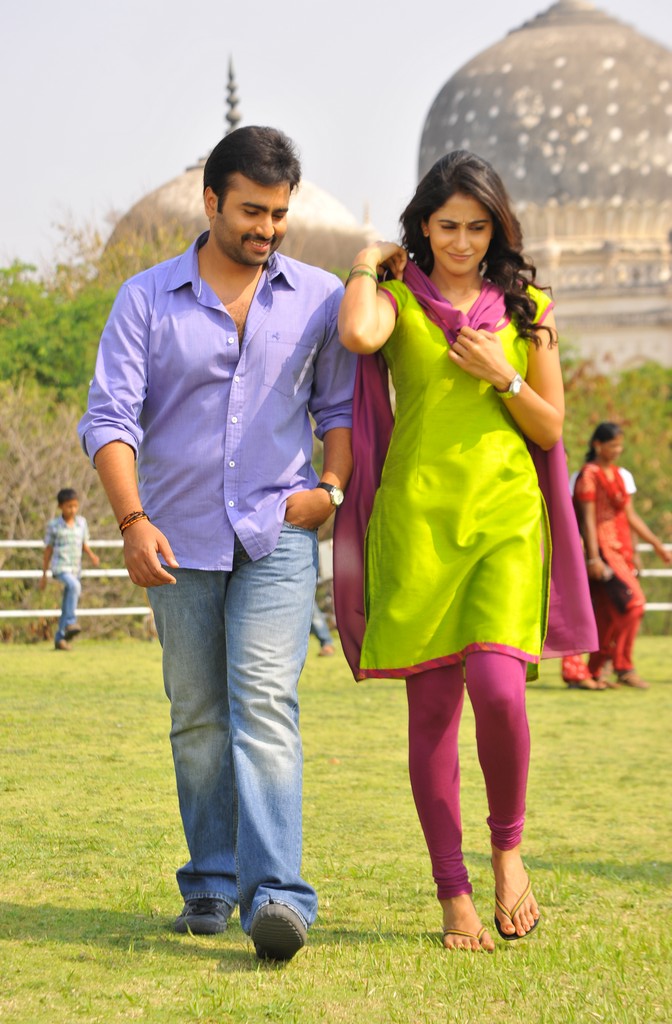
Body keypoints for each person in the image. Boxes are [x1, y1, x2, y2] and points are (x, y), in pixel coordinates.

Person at [78, 126, 356, 961]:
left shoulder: (319, 297)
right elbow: (109, 419)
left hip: (278, 532)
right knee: (199, 716)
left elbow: (339, 410)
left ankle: (277, 898)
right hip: (178, 537)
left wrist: (331, 490)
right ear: (211, 202)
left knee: (264, 705)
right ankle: (209, 882)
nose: (267, 229)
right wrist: (132, 521)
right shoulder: (146, 300)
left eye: (278, 213)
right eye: (251, 211)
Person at [335, 150, 596, 952]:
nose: (461, 241)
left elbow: (551, 426)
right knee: (433, 714)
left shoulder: (526, 307)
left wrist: (502, 374)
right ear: (423, 225)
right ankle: (453, 891)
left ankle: (508, 851)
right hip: (418, 523)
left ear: (497, 230)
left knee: (500, 689)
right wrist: (366, 261)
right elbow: (355, 332)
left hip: (506, 520)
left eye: (477, 227)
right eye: (446, 226)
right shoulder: (395, 300)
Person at [573, 422, 671, 689]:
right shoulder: (589, 475)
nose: (618, 450)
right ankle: (623, 666)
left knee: (608, 613)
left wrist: (656, 545)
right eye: (613, 445)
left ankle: (595, 671)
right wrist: (593, 557)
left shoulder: (617, 474)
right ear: (598, 445)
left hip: (622, 549)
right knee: (634, 604)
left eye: (620, 445)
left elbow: (630, 516)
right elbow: (588, 521)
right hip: (603, 551)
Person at [40, 487, 100, 650]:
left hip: (75, 568)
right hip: (60, 567)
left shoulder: (81, 523)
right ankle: (70, 622)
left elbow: (83, 544)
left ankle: (60, 639)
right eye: (69, 506)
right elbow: (48, 550)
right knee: (75, 586)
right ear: (60, 506)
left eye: (75, 506)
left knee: (68, 601)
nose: (72, 509)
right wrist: (44, 574)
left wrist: (92, 556)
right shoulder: (54, 526)